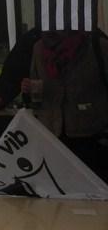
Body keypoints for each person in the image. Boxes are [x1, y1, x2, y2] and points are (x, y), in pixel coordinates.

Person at [22, 29, 108, 180]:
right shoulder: (39, 47)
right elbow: (36, 90)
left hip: (90, 135)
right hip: (52, 134)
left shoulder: (96, 46)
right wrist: (29, 89)